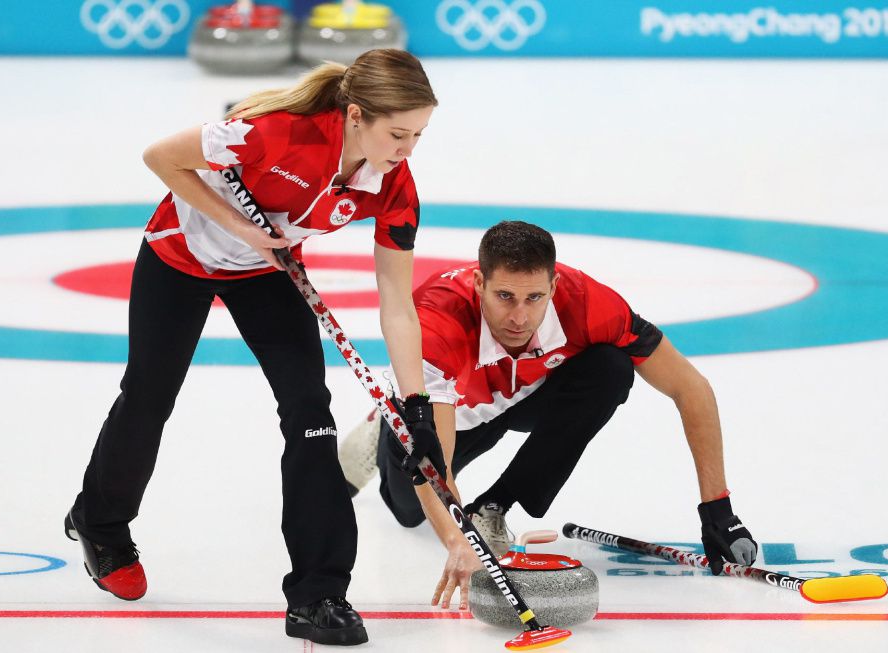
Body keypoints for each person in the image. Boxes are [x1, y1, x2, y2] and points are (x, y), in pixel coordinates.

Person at [64, 49, 447, 647]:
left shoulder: (393, 185)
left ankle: (319, 594)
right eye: (398, 133)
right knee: (149, 396)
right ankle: (100, 522)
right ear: (354, 116)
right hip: (179, 260)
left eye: (419, 135)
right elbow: (160, 157)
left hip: (267, 274)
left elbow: (396, 303)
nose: (407, 149)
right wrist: (240, 227)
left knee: (310, 415)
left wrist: (416, 405)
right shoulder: (275, 133)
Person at [339, 220, 759, 611]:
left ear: (554, 286)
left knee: (611, 369)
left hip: (522, 394)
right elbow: (439, 460)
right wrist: (459, 539)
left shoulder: (589, 303)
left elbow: (690, 388)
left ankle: (496, 505)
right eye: (505, 297)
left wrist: (718, 510)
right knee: (409, 510)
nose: (520, 317)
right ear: (479, 282)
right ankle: (385, 418)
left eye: (534, 297)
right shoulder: (437, 321)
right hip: (452, 413)